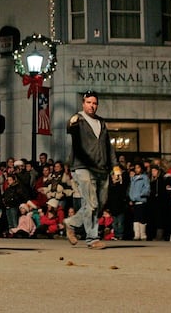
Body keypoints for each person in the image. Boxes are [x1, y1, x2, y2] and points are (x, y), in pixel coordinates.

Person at [64, 90, 117, 250]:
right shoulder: (78, 120)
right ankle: (92, 239)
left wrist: (115, 166)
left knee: (98, 204)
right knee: (92, 203)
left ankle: (71, 223)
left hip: (102, 168)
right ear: (83, 103)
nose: (92, 106)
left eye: (94, 103)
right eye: (89, 102)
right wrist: (71, 122)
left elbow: (108, 146)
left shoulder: (101, 122)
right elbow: (70, 128)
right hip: (83, 167)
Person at [128, 162, 150, 240]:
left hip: (141, 200)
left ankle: (143, 234)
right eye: (136, 168)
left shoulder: (144, 177)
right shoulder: (133, 178)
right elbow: (131, 189)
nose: (137, 169)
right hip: (135, 201)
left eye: (138, 168)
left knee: (142, 218)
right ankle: (137, 234)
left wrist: (141, 194)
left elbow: (147, 188)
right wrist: (131, 197)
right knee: (136, 218)